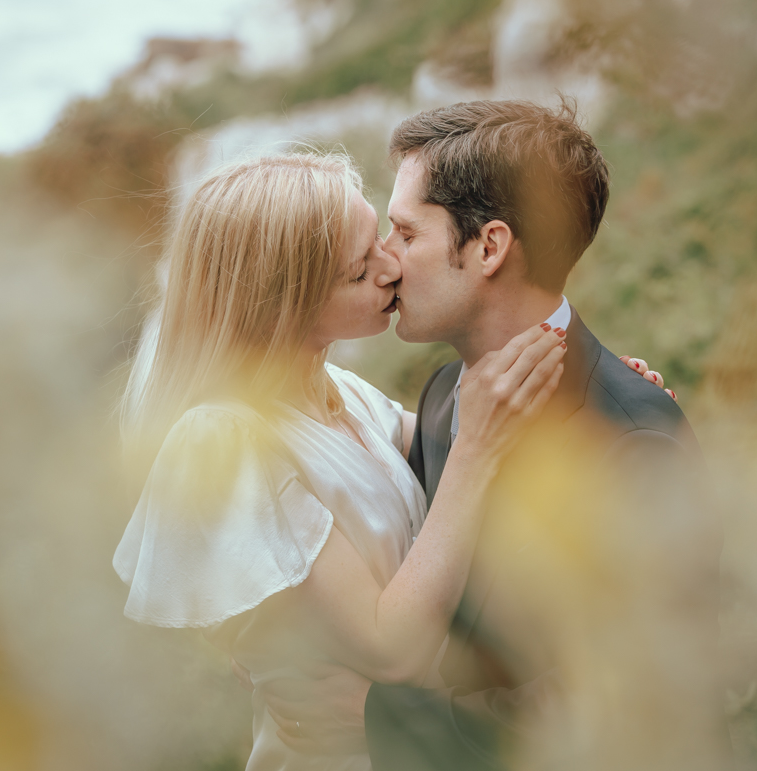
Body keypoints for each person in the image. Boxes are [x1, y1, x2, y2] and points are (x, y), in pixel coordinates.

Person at [113, 146, 673, 771]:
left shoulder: (339, 395)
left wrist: (601, 403)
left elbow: (450, 437)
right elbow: (391, 648)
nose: (391, 267)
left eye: (384, 236)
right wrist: (477, 451)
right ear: (282, 303)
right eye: (359, 270)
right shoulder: (225, 439)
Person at [260, 100, 724, 771]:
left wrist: (377, 712)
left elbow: (633, 700)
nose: (386, 261)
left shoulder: (631, 441)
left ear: (488, 247)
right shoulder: (447, 396)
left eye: (406, 233)